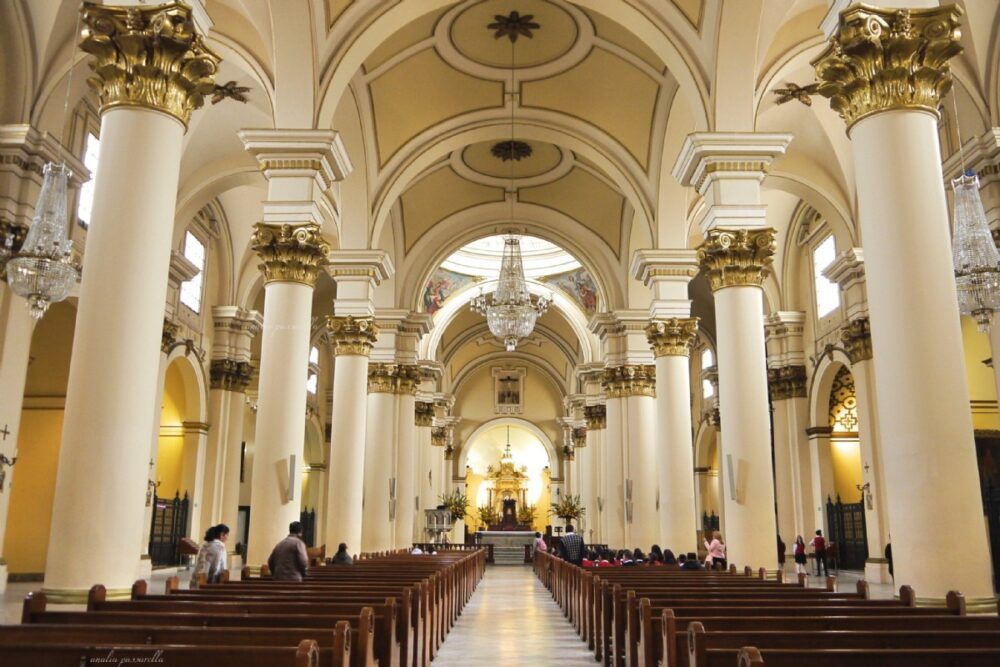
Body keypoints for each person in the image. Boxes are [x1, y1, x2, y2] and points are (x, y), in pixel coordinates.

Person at [190, 523, 228, 588]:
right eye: (227, 535)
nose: (227, 538)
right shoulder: (219, 547)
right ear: (222, 535)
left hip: (197, 579)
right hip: (210, 583)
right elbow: (219, 566)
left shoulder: (205, 545)